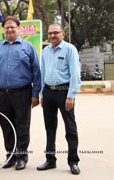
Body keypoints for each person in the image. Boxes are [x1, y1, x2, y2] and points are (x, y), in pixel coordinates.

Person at [0, 16, 41, 170]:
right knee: (6, 125)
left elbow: (37, 72)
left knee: (22, 125)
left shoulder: (27, 47)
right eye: (7, 27)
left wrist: (35, 94)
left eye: (13, 27)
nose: (10, 30)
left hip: (22, 93)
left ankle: (21, 156)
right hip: (1, 94)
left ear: (18, 29)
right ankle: (10, 155)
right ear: (3, 30)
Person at [37, 24, 81, 175]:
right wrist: (42, 94)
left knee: (70, 128)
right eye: (50, 33)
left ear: (62, 34)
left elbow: (75, 73)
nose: (52, 36)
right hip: (48, 93)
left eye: (56, 33)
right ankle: (50, 160)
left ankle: (73, 161)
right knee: (50, 128)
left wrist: (71, 95)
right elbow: (43, 73)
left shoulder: (70, 49)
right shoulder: (46, 51)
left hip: (64, 93)